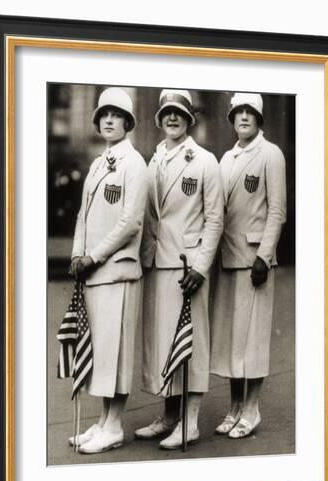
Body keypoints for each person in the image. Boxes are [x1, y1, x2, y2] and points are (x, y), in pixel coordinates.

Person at [136, 89, 223, 450]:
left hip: (188, 266)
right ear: (159, 119)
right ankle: (169, 416)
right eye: (167, 113)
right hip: (158, 261)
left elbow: (215, 219)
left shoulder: (204, 161)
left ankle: (191, 423)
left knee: (191, 343)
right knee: (163, 343)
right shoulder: (153, 160)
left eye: (179, 113)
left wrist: (201, 267)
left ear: (189, 119)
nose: (173, 118)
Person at [68, 87, 149, 453]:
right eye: (104, 115)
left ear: (128, 122)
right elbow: (84, 215)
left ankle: (115, 425)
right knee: (100, 349)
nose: (109, 121)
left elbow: (130, 222)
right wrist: (76, 254)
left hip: (116, 269)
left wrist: (94, 256)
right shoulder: (99, 164)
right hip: (93, 271)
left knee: (115, 351)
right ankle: (103, 421)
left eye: (117, 115)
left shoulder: (134, 163)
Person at [210, 92, 287, 438]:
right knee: (231, 340)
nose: (243, 116)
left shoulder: (271, 154)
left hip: (254, 260)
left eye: (249, 111)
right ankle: (235, 407)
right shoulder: (226, 158)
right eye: (237, 111)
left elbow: (277, 210)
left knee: (252, 339)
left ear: (259, 118)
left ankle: (252, 410)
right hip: (226, 259)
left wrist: (264, 255)